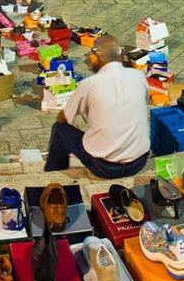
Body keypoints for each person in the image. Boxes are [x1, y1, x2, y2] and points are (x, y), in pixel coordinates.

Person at [45, 36, 150, 177]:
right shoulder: (138, 76)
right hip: (139, 162)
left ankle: (53, 173)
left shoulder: (89, 84)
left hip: (104, 167)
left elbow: (62, 118)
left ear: (97, 56)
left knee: (59, 129)